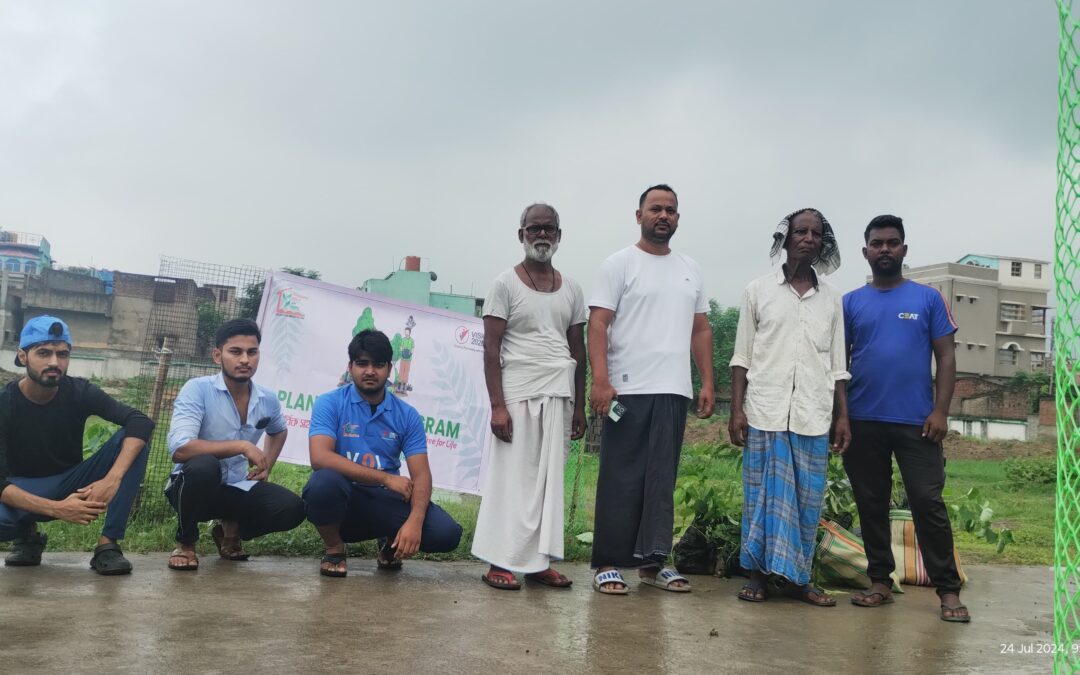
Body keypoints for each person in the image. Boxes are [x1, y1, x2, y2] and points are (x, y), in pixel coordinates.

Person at [588, 184, 715, 594]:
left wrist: (706, 381)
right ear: (639, 214)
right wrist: (601, 380)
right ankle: (608, 561)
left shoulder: (691, 268)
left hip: (673, 390)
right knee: (620, 477)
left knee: (662, 479)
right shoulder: (619, 264)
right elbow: (599, 324)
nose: (664, 215)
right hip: (626, 390)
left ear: (678, 218)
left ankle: (653, 562)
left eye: (671, 210)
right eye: (656, 208)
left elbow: (700, 328)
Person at [842, 214, 968, 622]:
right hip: (862, 420)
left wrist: (941, 411)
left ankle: (948, 590)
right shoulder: (850, 303)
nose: (884, 249)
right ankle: (880, 581)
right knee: (871, 503)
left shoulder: (927, 299)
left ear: (904, 250)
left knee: (927, 503)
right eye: (877, 243)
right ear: (866, 252)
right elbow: (838, 364)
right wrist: (839, 415)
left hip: (918, 422)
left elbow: (947, 357)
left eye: (892, 243)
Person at [728, 208, 851, 606]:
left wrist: (842, 416)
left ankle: (800, 580)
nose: (808, 238)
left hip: (813, 415)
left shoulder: (832, 299)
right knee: (760, 498)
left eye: (816, 233)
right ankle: (757, 576)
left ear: (823, 243)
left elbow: (837, 365)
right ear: (786, 237)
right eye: (801, 231)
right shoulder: (757, 291)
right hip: (764, 410)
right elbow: (742, 356)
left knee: (806, 502)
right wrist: (736, 410)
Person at [471, 203, 587, 590]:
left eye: (549, 229)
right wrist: (497, 406)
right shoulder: (504, 284)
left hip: (559, 392)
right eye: (534, 228)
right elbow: (491, 348)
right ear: (521, 234)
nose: (542, 235)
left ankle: (539, 563)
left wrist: (581, 406)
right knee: (512, 480)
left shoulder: (571, 287)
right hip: (517, 393)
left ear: (559, 235)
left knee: (548, 483)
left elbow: (578, 350)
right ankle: (497, 562)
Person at [302, 329, 462, 577]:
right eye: (362, 363)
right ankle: (334, 548)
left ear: (389, 368)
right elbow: (320, 458)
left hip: (385, 500)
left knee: (446, 534)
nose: (369, 371)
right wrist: (386, 478)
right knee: (323, 483)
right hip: (346, 497)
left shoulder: (407, 415)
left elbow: (421, 475)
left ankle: (391, 544)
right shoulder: (329, 402)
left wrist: (414, 522)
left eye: (378, 364)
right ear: (350, 366)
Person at [0, 316, 153, 574]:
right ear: (23, 356)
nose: (54, 362)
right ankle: (27, 537)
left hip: (70, 483)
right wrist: (59, 509)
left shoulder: (79, 391)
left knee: (135, 443)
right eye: (43, 353)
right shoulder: (5, 403)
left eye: (62, 354)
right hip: (20, 489)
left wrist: (112, 479)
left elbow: (139, 421)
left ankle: (108, 545)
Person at [164, 318, 306, 571]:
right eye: (235, 352)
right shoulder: (197, 390)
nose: (245, 360)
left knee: (292, 509)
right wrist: (242, 446)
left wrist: (266, 467)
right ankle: (185, 542)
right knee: (203, 466)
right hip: (190, 488)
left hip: (236, 486)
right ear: (217, 356)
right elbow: (180, 448)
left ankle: (230, 530)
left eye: (252, 352)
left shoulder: (267, 399)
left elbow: (279, 431)